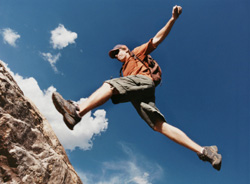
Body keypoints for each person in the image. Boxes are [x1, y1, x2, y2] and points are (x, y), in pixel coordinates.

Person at [52, 6, 222, 171]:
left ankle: (77, 111)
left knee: (109, 84)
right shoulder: (124, 70)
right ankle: (204, 151)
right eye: (114, 55)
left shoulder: (136, 53)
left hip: (144, 81)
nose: (116, 55)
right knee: (158, 125)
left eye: (117, 52)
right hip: (139, 93)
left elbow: (157, 38)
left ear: (125, 49)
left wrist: (172, 20)